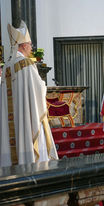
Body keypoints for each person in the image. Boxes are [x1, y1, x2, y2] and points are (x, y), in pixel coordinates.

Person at [0, 21, 58, 167]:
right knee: (28, 133)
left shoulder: (7, 65)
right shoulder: (26, 63)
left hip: (11, 119)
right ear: (23, 45)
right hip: (25, 117)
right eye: (30, 44)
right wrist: (43, 85)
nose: (31, 48)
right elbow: (38, 89)